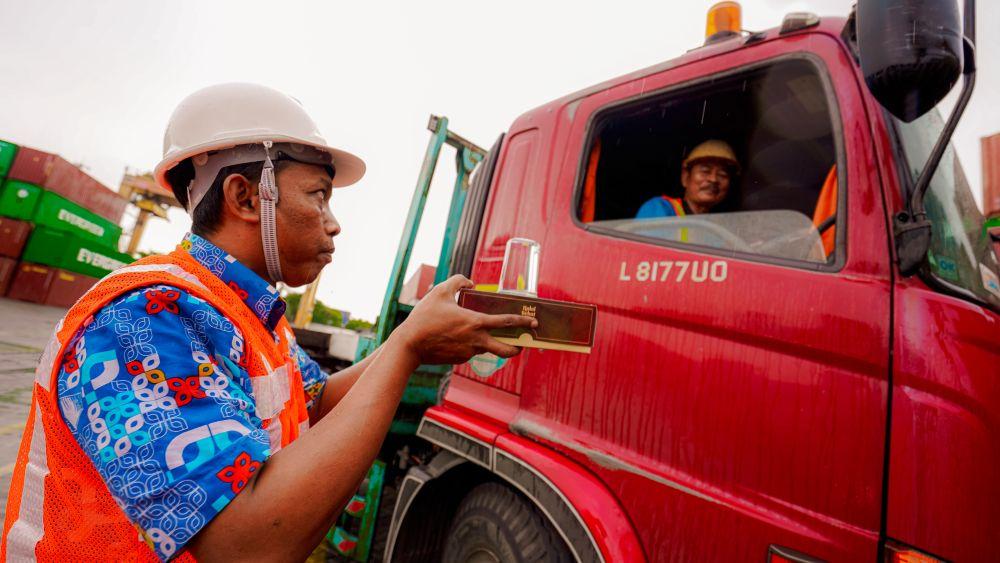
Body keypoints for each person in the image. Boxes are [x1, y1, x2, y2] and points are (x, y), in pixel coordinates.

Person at [1, 83, 536, 562]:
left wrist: (412, 342)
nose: (334, 223)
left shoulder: (248, 313)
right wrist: (405, 350)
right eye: (318, 195)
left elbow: (315, 405)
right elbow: (250, 547)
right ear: (244, 197)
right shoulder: (144, 315)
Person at [636, 139, 740, 218]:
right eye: (705, 171)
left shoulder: (720, 227)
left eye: (722, 174)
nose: (713, 179)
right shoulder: (659, 208)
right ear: (685, 176)